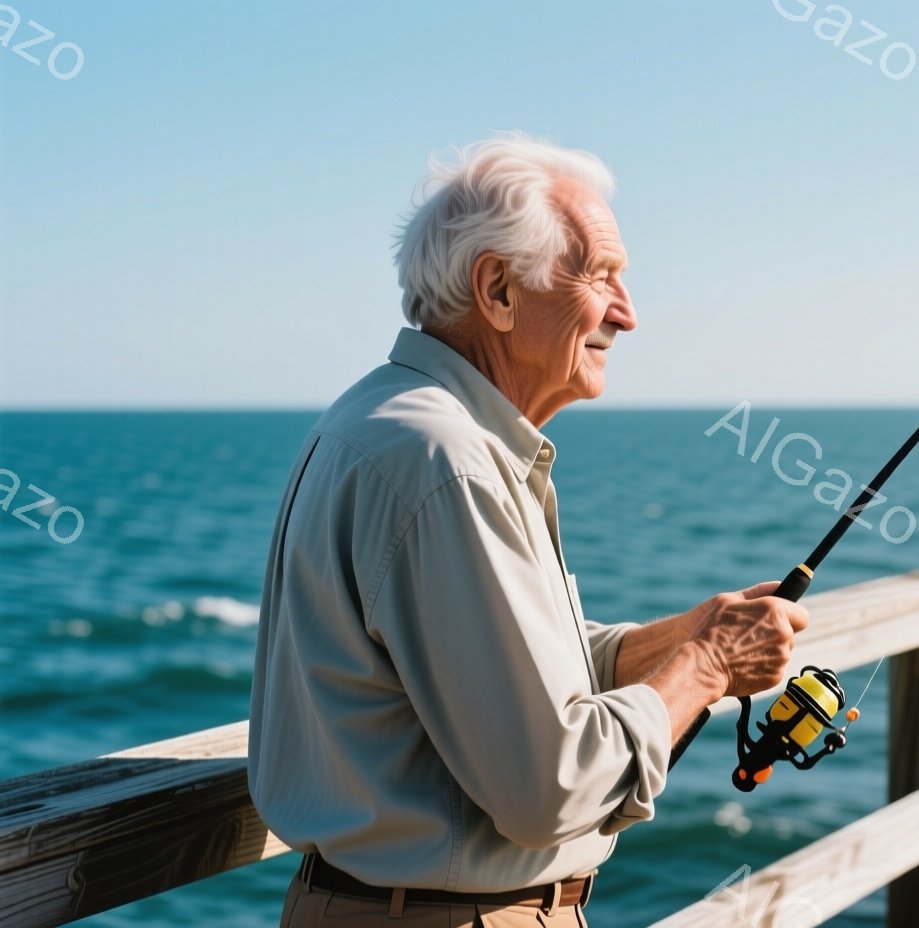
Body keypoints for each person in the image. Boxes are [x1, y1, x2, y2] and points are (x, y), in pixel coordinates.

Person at [248, 132, 807, 927]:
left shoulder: (390, 421)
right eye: (602, 277)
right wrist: (708, 666)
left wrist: (688, 634)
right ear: (499, 289)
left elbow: (509, 684)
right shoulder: (443, 459)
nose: (629, 313)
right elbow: (549, 785)